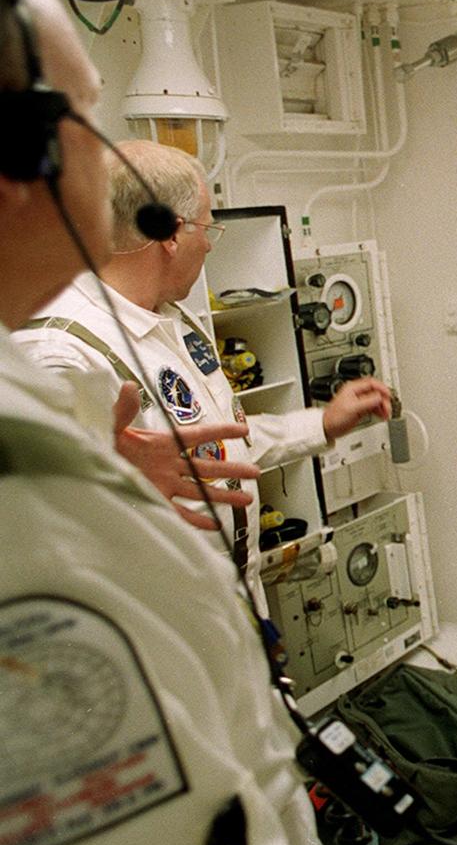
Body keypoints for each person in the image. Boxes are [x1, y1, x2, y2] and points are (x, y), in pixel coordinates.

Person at [0, 0, 333, 845]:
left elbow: (212, 449)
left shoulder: (82, 388)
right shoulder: (56, 372)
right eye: (80, 114)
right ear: (20, 158)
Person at [15, 138, 392, 616]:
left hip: (232, 602)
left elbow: (213, 450)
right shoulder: (61, 349)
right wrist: (100, 479)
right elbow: (34, 506)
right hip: (161, 624)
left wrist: (321, 423)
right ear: (172, 234)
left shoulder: (172, 319)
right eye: (207, 227)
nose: (210, 243)